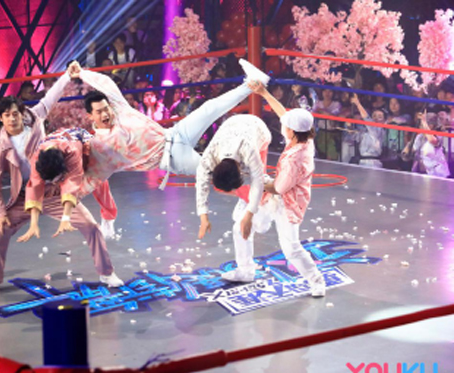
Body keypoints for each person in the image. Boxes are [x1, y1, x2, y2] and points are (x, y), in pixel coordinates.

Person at [22, 59, 259, 220]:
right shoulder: (100, 150)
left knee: (209, 108)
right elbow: (84, 184)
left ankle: (252, 84)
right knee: (217, 170)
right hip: (173, 158)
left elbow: (107, 84)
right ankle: (260, 192)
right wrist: (45, 199)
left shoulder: (119, 108)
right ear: (90, 116)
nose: (105, 114)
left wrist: (82, 73)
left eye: (106, 108)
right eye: (99, 112)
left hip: (174, 133)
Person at [0, 76, 122, 296]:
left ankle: (106, 272)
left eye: (15, 113)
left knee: (91, 226)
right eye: (7, 115)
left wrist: (67, 75)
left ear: (22, 113)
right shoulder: (0, 148)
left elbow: (51, 96)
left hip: (55, 190)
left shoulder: (36, 119)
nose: (12, 118)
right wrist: (0, 213)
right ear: (0, 118)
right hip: (25, 195)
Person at [234, 77, 325, 297]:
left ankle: (317, 281)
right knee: (242, 225)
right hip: (278, 195)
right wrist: (264, 93)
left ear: (292, 131)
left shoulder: (296, 158)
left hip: (286, 203)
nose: (282, 124)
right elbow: (282, 113)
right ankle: (245, 270)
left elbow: (279, 188)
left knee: (291, 248)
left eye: (286, 125)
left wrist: (256, 179)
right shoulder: (304, 138)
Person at [195, 114, 271, 281]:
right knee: (240, 218)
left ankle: (265, 202)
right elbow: (201, 183)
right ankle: (246, 198)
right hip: (232, 126)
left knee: (259, 186)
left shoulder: (249, 150)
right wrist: (203, 217)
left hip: (258, 129)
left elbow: (257, 181)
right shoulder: (209, 156)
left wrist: (250, 215)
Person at [350, 94, 386, 168]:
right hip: (362, 161)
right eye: (374, 116)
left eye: (379, 117)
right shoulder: (366, 131)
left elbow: (367, 119)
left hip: (373, 163)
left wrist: (358, 104)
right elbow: (356, 137)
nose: (376, 119)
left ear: (384, 121)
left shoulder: (379, 130)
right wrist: (350, 128)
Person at [411, 111, 450, 178]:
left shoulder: (438, 135)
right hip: (426, 172)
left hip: (439, 173)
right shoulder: (420, 137)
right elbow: (413, 150)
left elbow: (431, 140)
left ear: (432, 125)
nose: (422, 126)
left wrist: (424, 122)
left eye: (428, 124)